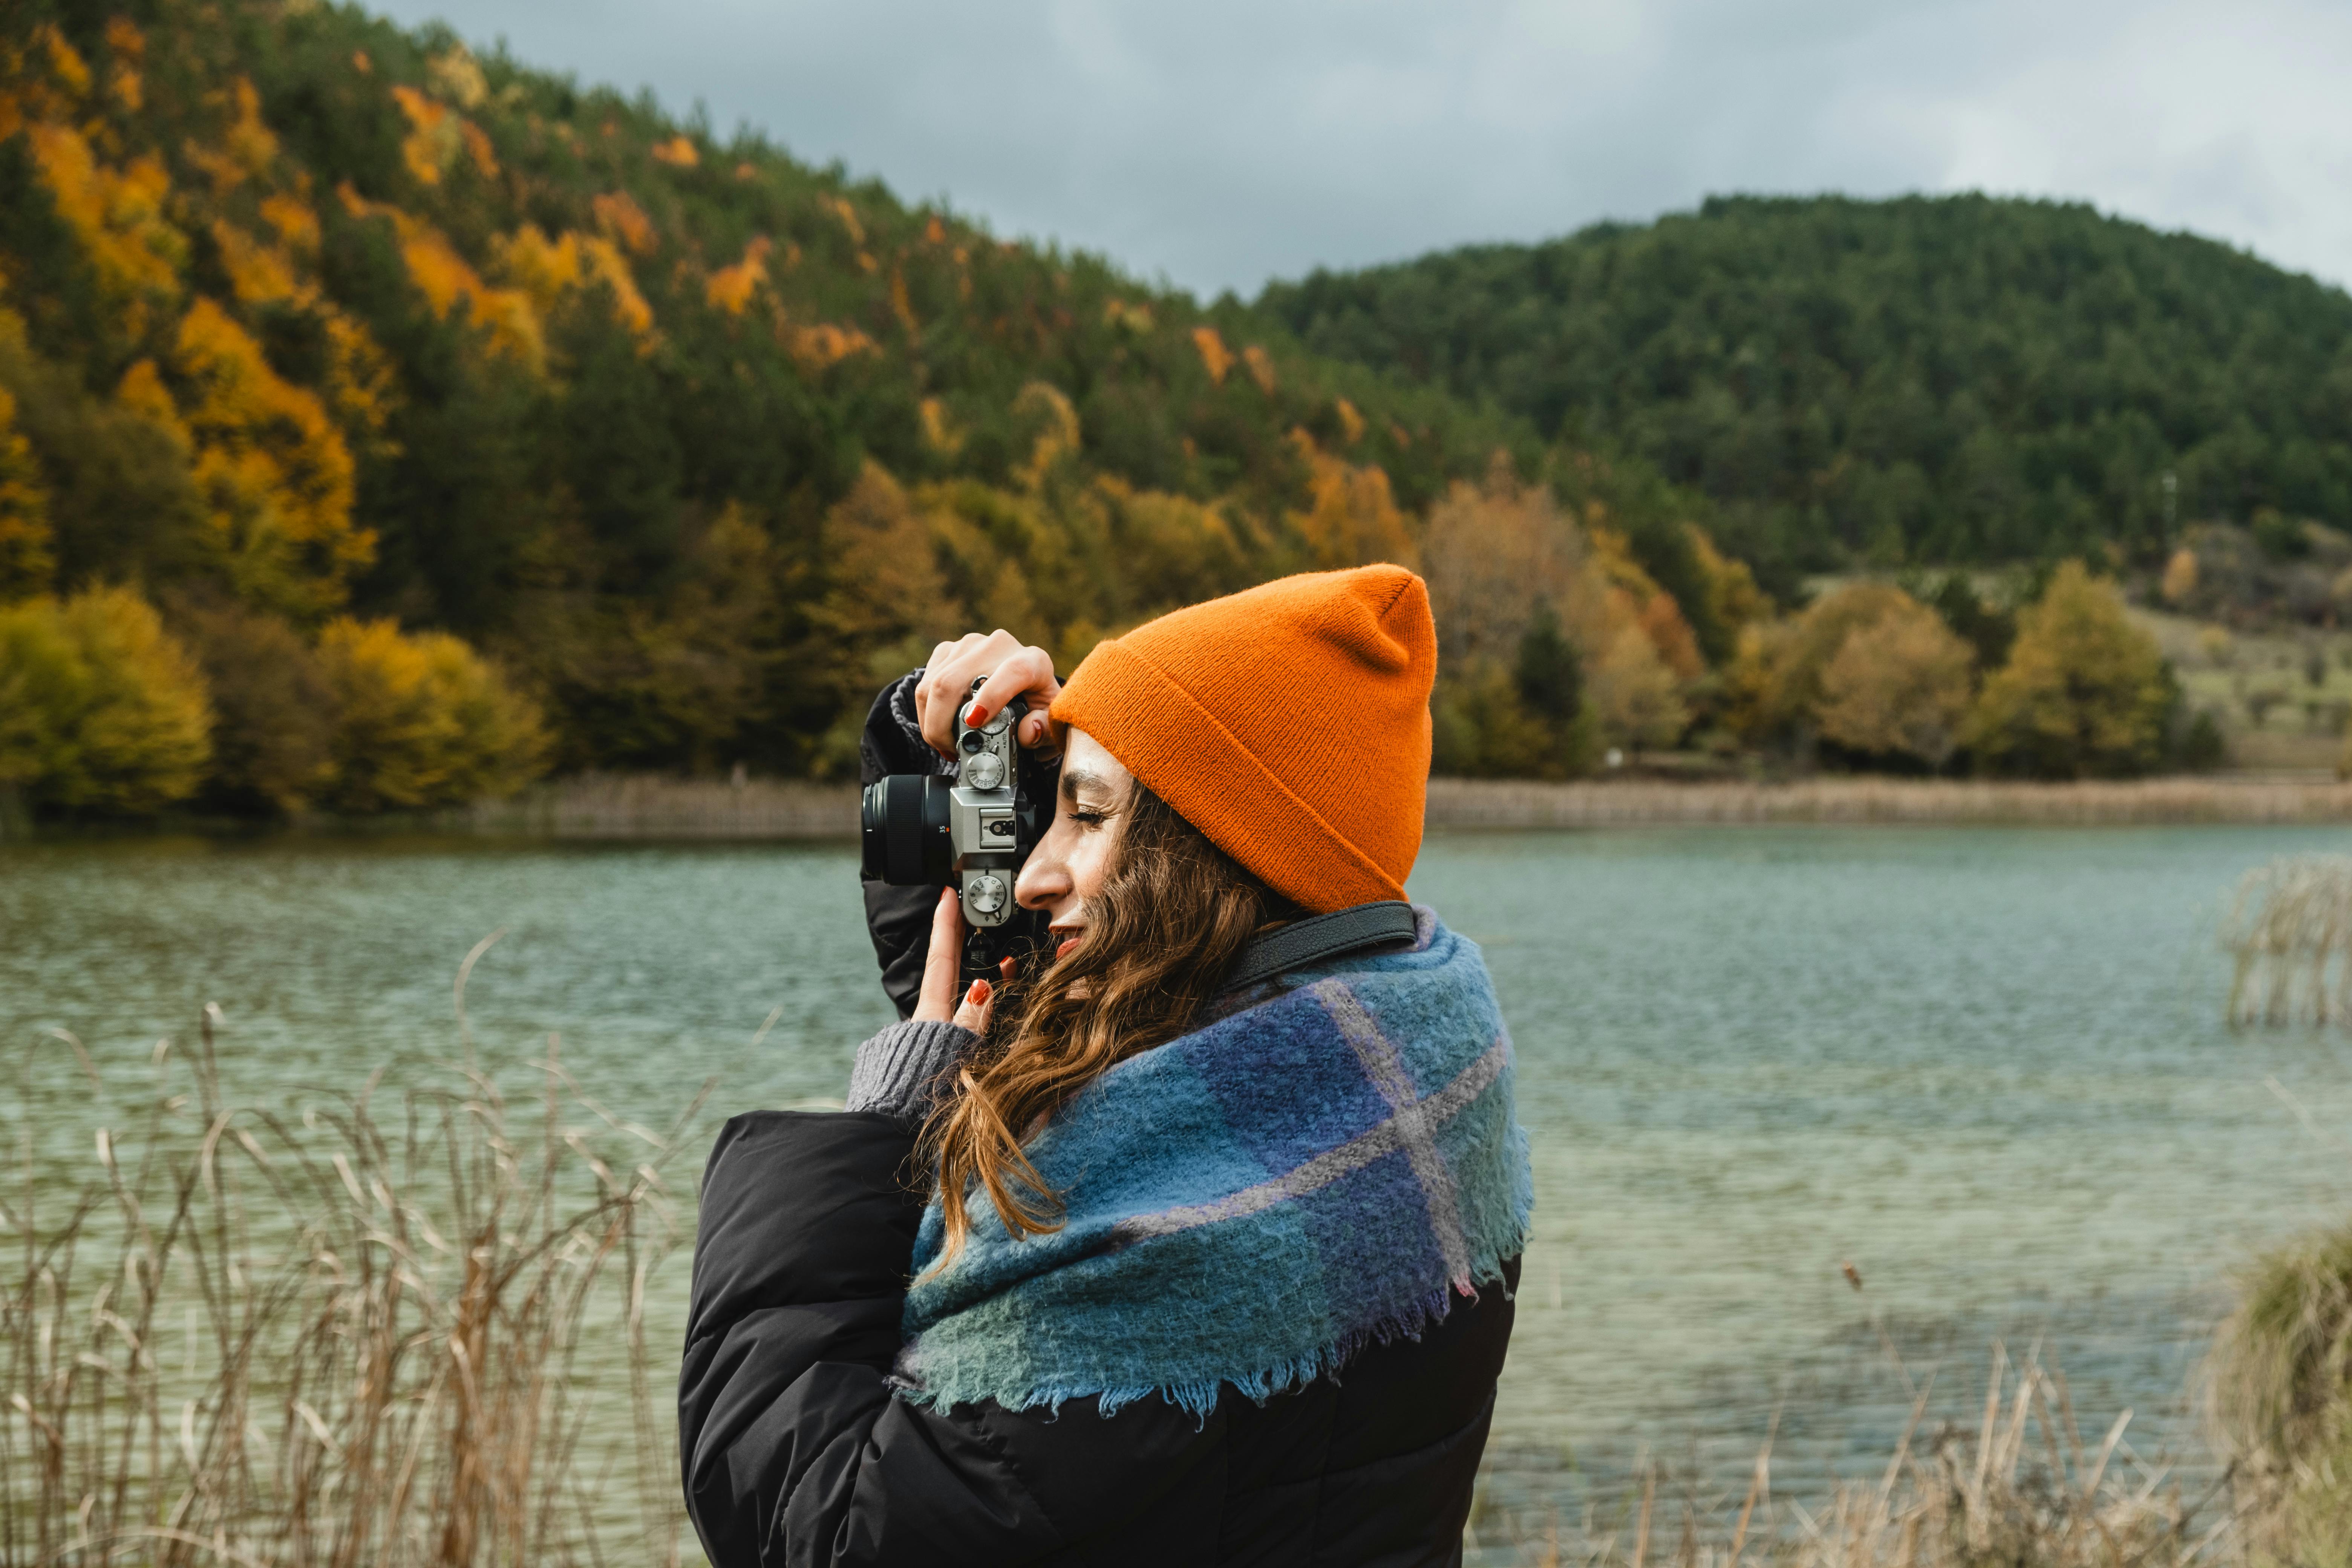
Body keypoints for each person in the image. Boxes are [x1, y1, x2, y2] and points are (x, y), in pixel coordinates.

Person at [680, 565, 1532, 1567]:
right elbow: (1047, 1043)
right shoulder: (1407, 1067)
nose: (1037, 872)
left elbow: (812, 1524)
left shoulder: (1150, 1250)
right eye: (1050, 819)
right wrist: (942, 756)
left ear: (1214, 854)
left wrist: (884, 1132)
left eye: (1086, 818)